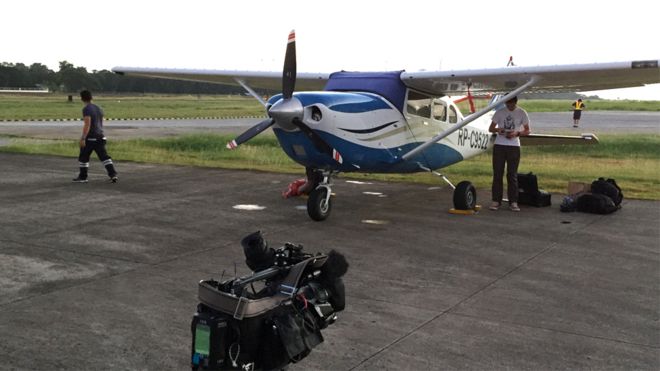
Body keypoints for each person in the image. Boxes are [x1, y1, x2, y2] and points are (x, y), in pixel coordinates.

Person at [488, 96, 531, 212]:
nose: (509, 106)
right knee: (497, 173)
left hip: (514, 146)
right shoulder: (499, 112)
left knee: (512, 175)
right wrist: (499, 130)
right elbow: (491, 128)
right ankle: (496, 200)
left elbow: (528, 130)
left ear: (516, 102)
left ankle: (513, 202)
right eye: (507, 104)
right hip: (499, 146)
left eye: (511, 104)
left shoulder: (522, 113)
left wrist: (517, 133)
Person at [72, 90, 118, 183]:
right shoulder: (99, 108)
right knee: (104, 156)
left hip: (91, 137)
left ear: (82, 98)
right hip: (100, 136)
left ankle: (83, 177)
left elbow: (87, 124)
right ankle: (113, 174)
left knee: (84, 157)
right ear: (91, 97)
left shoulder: (86, 109)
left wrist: (83, 138)